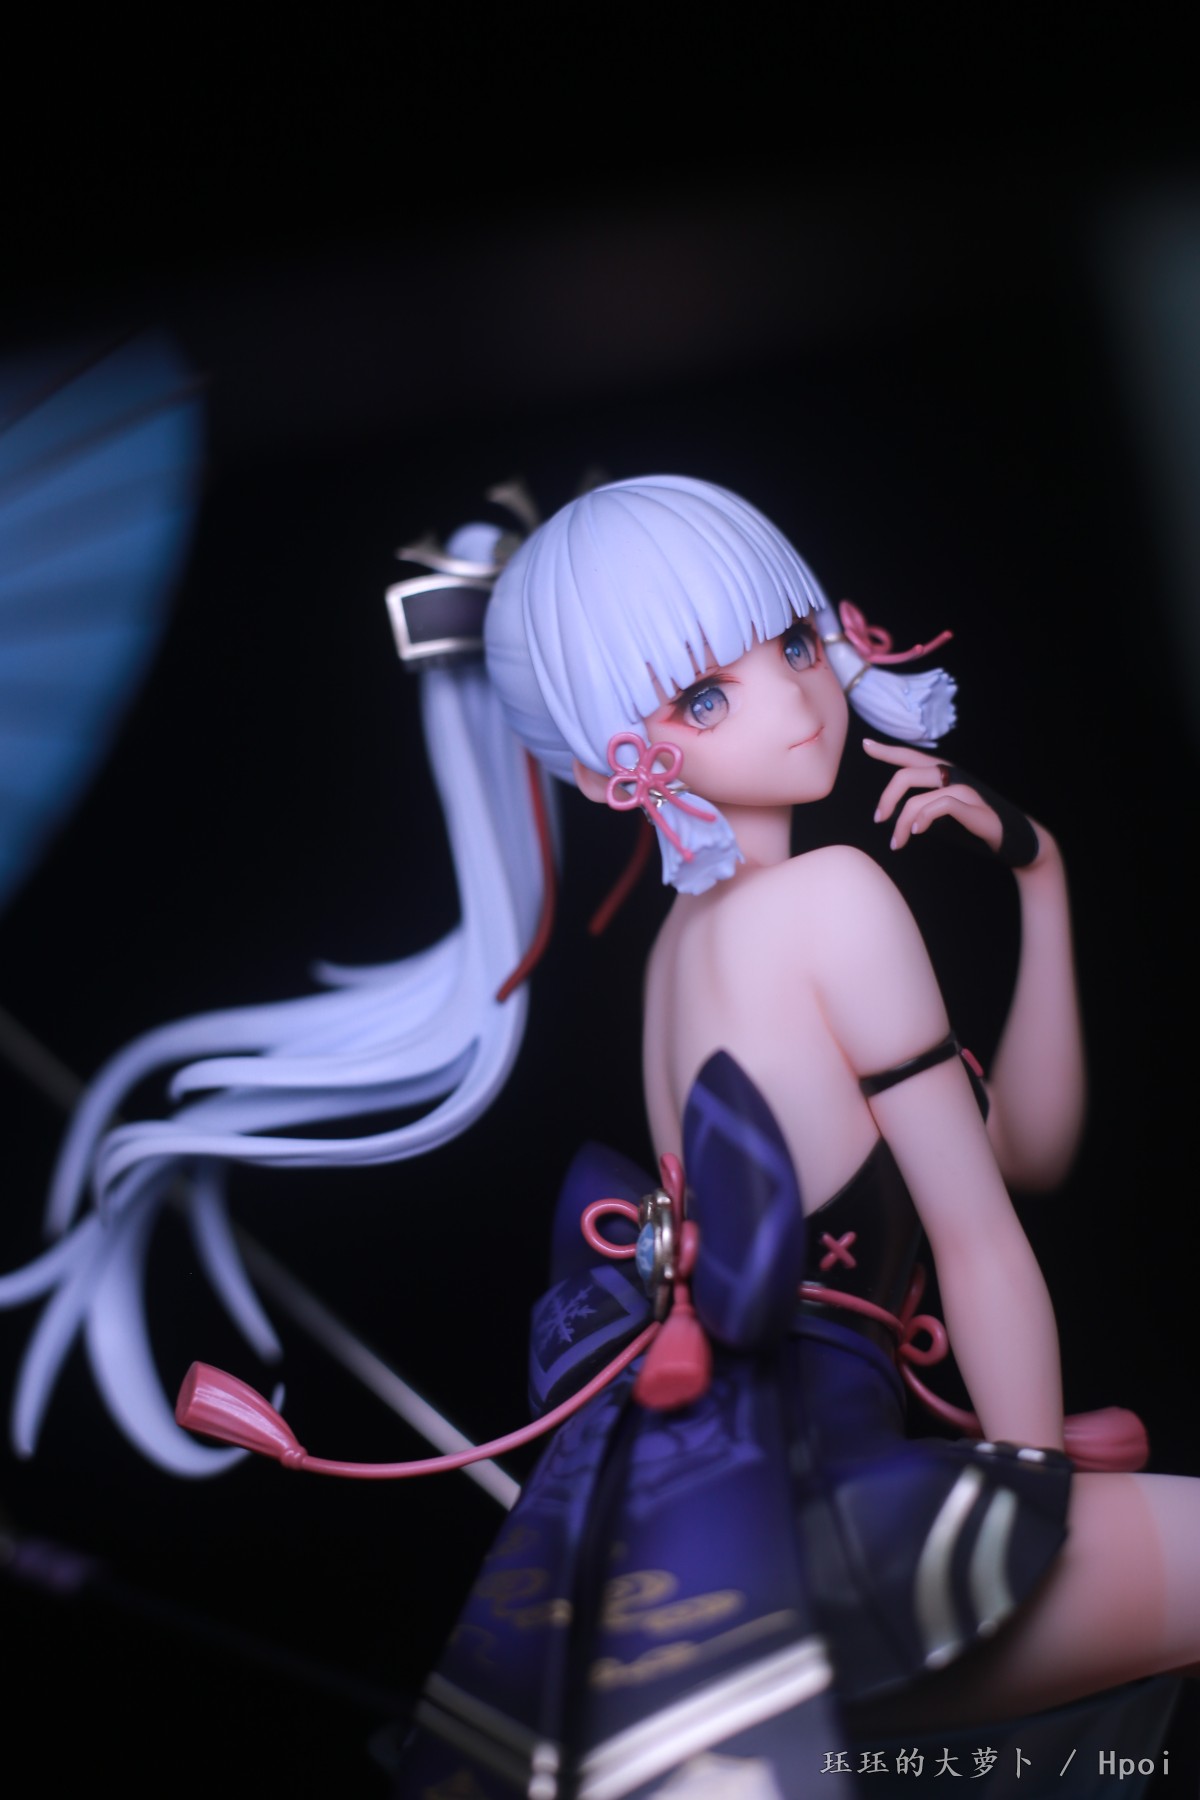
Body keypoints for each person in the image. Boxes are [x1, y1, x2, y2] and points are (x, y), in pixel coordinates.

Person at [2, 476, 1195, 1797]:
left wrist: (1038, 872)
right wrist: (1017, 1503)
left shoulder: (682, 956)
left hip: (725, 1546)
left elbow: (1024, 1147)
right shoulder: (833, 900)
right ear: (606, 769)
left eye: (796, 641)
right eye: (704, 697)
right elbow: (978, 1232)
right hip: (852, 1537)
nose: (795, 700)